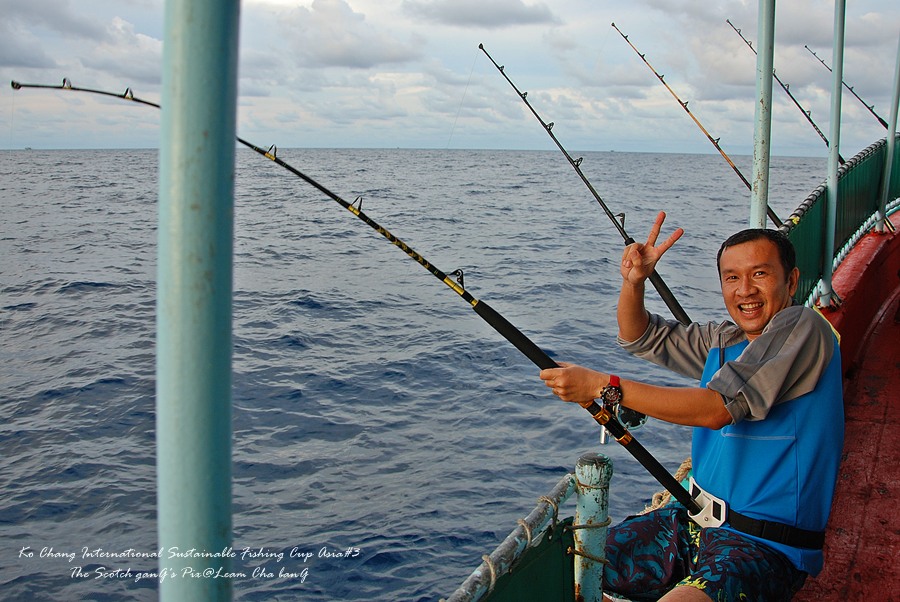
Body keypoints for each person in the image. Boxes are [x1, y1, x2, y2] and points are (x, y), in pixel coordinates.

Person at [539, 212, 844, 601]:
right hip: (690, 520)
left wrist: (603, 386)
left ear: (792, 280)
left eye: (760, 274)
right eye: (732, 278)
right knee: (575, 562)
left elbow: (716, 409)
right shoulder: (724, 340)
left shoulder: (806, 329)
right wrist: (634, 283)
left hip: (762, 546)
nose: (745, 289)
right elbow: (642, 337)